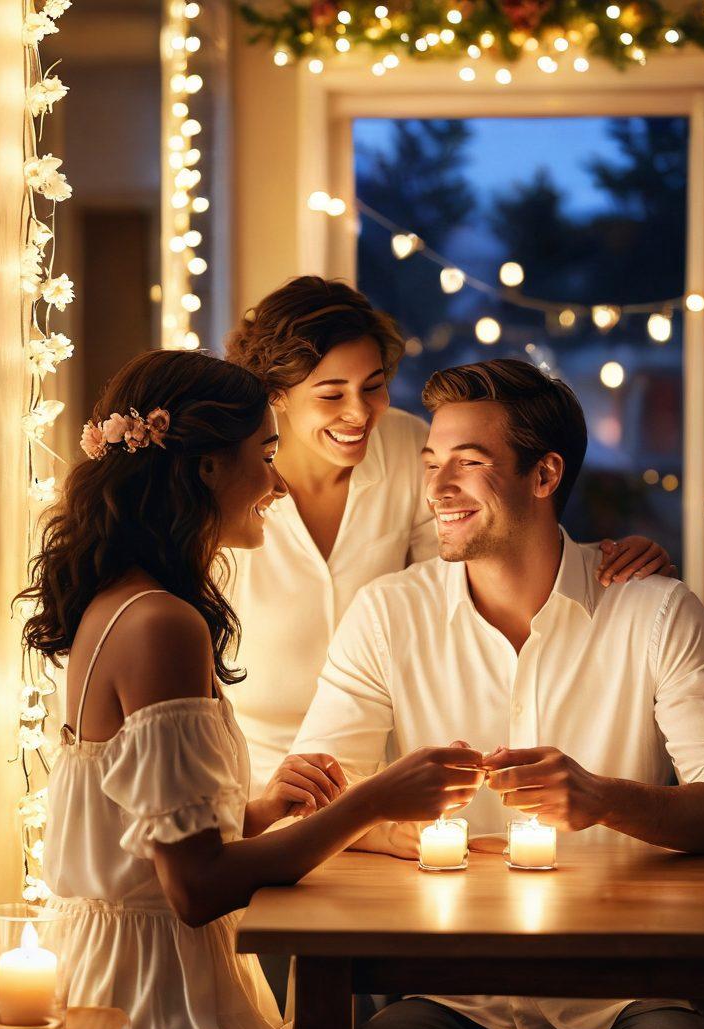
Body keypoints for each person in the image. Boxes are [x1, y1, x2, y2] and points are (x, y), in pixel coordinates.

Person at [19, 349, 494, 1029]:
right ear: (208, 468)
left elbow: (144, 831)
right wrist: (373, 802)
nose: (276, 483)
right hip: (153, 1020)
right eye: (265, 456)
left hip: (114, 982)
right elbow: (194, 888)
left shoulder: (120, 603)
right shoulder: (163, 624)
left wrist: (259, 809)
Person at [293, 357, 704, 1029]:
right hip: (450, 1000)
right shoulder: (389, 614)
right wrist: (397, 823)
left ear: (545, 475)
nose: (438, 486)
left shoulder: (654, 612)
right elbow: (317, 790)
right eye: (432, 461)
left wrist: (605, 800)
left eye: (468, 462)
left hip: (626, 1002)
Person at [224, 276, 675, 799]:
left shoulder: (405, 445)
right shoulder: (230, 483)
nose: (360, 412)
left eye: (373, 386)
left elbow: (473, 553)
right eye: (331, 394)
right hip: (259, 782)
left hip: (381, 771)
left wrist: (599, 564)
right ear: (276, 395)